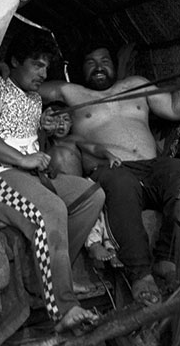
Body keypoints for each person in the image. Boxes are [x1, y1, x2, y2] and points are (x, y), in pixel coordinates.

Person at [39, 41, 180, 306]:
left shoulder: (136, 84)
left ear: (115, 65)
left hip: (153, 166)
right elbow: (30, 88)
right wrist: (4, 70)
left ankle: (166, 257)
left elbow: (176, 109)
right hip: (110, 169)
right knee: (121, 182)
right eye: (91, 62)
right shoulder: (71, 92)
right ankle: (140, 275)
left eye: (104, 60)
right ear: (81, 69)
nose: (99, 67)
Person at [0, 33, 104, 333]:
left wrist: (42, 145)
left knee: (91, 194)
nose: (43, 73)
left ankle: (40, 277)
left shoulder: (36, 99)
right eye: (37, 65)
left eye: (46, 67)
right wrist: (23, 159)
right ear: (14, 61)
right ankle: (64, 309)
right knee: (52, 209)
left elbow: (26, 139)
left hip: (28, 179)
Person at [41, 101, 123, 268]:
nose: (61, 124)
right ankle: (93, 244)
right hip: (59, 190)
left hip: (81, 186)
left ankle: (110, 247)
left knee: (100, 206)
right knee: (86, 210)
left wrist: (108, 155)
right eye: (56, 120)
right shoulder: (43, 143)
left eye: (65, 119)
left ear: (72, 123)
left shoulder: (74, 139)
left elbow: (93, 147)